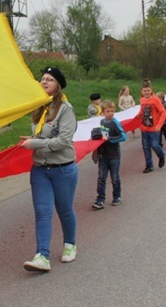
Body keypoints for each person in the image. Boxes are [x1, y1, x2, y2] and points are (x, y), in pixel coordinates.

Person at [20, 66, 78, 272]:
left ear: (58, 85)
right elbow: (43, 136)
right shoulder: (40, 108)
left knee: (64, 210)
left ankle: (70, 244)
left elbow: (63, 141)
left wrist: (34, 144)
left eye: (50, 79)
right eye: (42, 79)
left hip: (63, 169)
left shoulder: (66, 109)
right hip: (40, 170)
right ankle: (42, 256)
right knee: (43, 211)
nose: (44, 82)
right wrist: (32, 139)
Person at [92, 100, 126, 210]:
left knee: (115, 178)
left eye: (112, 111)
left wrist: (110, 139)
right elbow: (102, 135)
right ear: (103, 112)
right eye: (108, 111)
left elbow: (123, 136)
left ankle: (117, 196)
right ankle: (100, 199)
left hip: (114, 155)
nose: (110, 113)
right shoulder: (102, 122)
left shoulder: (115, 123)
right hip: (103, 155)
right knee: (101, 177)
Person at [136, 83, 166, 173]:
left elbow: (163, 112)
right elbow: (142, 111)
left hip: (154, 128)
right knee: (145, 147)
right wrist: (138, 115)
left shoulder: (155, 100)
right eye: (145, 91)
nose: (146, 92)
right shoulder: (141, 100)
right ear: (142, 92)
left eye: (148, 90)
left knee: (155, 145)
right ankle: (149, 165)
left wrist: (159, 125)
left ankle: (161, 155)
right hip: (144, 128)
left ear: (151, 90)